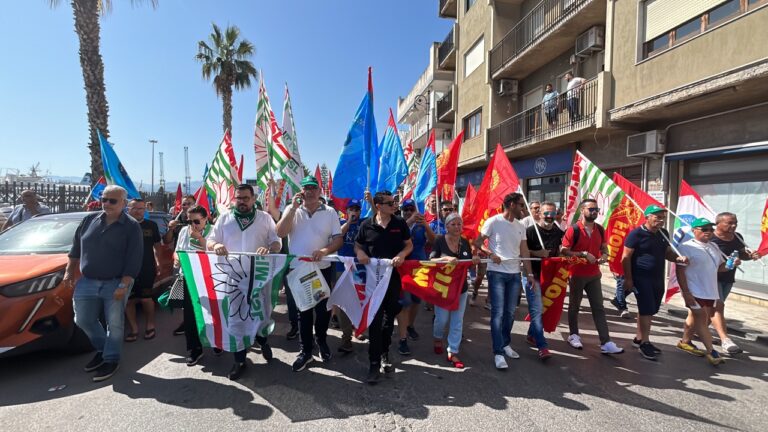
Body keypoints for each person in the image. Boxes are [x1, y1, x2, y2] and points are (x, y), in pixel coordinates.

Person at [63, 185, 143, 382]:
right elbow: (76, 249)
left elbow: (134, 259)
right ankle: (103, 349)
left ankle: (111, 359)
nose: (106, 203)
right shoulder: (89, 220)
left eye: (112, 200)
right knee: (82, 320)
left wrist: (123, 286)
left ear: (124, 203)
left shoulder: (131, 226)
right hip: (87, 281)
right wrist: (68, 272)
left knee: (114, 324)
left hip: (116, 282)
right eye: (104, 199)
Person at [207, 184, 282, 380]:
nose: (241, 202)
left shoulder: (265, 218)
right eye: (238, 198)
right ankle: (239, 360)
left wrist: (270, 248)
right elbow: (210, 241)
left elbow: (276, 241)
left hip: (259, 277)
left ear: (253, 198)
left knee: (260, 314)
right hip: (233, 278)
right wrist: (216, 245)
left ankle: (262, 340)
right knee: (236, 318)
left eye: (245, 198)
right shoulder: (224, 218)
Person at [276, 176, 343, 372]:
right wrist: (292, 209)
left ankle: (321, 340)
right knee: (303, 311)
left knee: (323, 310)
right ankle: (305, 350)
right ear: (301, 191)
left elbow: (338, 239)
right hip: (299, 269)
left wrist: (324, 251)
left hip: (323, 267)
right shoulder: (292, 210)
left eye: (313, 187)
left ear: (320, 191)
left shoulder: (330, 212)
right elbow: (280, 233)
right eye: (306, 188)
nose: (310, 191)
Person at [355, 190, 413, 384]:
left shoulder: (400, 223)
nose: (394, 205)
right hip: (373, 281)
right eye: (389, 203)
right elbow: (358, 244)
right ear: (378, 206)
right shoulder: (366, 224)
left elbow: (409, 245)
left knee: (389, 320)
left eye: (394, 202)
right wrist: (360, 253)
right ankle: (373, 363)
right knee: (375, 320)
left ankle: (385, 354)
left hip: (393, 279)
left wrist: (403, 255)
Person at [473, 193, 536, 370]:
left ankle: (505, 343)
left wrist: (529, 274)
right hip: (497, 274)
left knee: (510, 312)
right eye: (521, 205)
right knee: (498, 313)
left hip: (515, 274)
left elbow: (525, 252)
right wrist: (491, 254)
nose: (523, 208)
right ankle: (498, 352)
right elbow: (477, 242)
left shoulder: (520, 226)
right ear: (511, 205)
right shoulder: (493, 222)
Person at [621, 205, 689, 361]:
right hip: (641, 277)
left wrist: (677, 258)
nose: (661, 220)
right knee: (646, 309)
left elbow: (667, 253)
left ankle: (639, 338)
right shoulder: (636, 234)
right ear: (647, 217)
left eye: (663, 218)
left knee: (651, 309)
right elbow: (625, 257)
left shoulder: (663, 234)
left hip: (657, 277)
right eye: (657, 217)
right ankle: (645, 343)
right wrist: (629, 279)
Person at [560, 199, 624, 354]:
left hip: (594, 275)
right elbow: (564, 250)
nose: (595, 212)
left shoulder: (600, 229)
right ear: (582, 210)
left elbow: (604, 247)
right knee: (574, 306)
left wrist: (604, 255)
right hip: (576, 274)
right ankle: (574, 335)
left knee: (599, 308)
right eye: (591, 209)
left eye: (597, 209)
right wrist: (582, 254)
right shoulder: (573, 230)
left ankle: (606, 342)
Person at [675, 218, 727, 366]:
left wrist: (731, 265)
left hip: (710, 290)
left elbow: (720, 268)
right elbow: (679, 271)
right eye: (704, 230)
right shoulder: (686, 247)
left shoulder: (714, 246)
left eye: (711, 229)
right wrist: (686, 292)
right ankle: (711, 351)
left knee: (698, 318)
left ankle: (685, 341)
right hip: (694, 289)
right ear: (694, 231)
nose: (708, 232)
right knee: (701, 320)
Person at [431, 213, 480, 368]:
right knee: (442, 319)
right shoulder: (439, 240)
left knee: (457, 321)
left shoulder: (465, 242)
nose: (457, 227)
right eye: (453, 224)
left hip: (461, 288)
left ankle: (453, 351)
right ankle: (437, 337)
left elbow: (469, 264)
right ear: (447, 227)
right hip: (443, 287)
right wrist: (445, 259)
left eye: (459, 224)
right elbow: (430, 260)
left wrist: (475, 260)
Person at [711, 212, 761, 354]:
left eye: (735, 223)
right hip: (713, 277)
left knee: (712, 310)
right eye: (729, 223)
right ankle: (725, 340)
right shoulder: (711, 238)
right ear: (718, 223)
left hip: (728, 278)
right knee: (718, 307)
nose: (733, 226)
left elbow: (742, 254)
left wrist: (750, 256)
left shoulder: (738, 237)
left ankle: (694, 331)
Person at [174, 204, 213, 366]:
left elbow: (214, 251)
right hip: (189, 278)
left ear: (206, 219)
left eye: (197, 221)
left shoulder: (214, 231)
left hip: (209, 279)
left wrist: (199, 238)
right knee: (190, 315)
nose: (193, 226)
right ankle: (194, 348)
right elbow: (178, 250)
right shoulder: (184, 232)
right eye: (189, 221)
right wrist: (176, 258)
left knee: (211, 313)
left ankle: (215, 342)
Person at [397, 199, 436, 355]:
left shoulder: (422, 224)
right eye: (405, 209)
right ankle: (402, 339)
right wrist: (409, 221)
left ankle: (409, 326)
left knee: (416, 300)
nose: (408, 211)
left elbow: (433, 241)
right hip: (404, 267)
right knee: (405, 302)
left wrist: (425, 224)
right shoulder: (399, 223)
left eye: (411, 209)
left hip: (420, 267)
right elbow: (396, 238)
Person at [525, 201, 563, 361]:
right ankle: (542, 346)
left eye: (552, 213)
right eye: (546, 213)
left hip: (550, 276)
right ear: (539, 214)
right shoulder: (530, 231)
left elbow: (562, 250)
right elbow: (522, 251)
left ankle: (531, 334)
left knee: (542, 308)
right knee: (537, 308)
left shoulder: (558, 232)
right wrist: (537, 252)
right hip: (532, 274)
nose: (549, 216)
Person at [124, 198, 162, 342]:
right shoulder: (122, 225)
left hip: (147, 267)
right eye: (135, 208)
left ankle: (150, 325)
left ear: (145, 210)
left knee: (146, 299)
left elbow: (157, 246)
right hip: (126, 270)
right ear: (128, 209)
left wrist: (159, 262)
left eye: (141, 208)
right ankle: (134, 329)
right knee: (129, 301)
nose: (138, 211)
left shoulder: (151, 225)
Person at [169, 194, 201, 336]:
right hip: (185, 272)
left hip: (202, 273)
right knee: (186, 303)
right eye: (184, 204)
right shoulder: (181, 227)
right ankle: (188, 323)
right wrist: (176, 258)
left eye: (189, 204)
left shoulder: (208, 227)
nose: (186, 207)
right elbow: (177, 248)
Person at [335, 199, 364, 353]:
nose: (355, 211)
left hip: (360, 268)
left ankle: (358, 329)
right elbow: (337, 236)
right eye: (351, 209)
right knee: (344, 303)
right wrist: (348, 222)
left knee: (359, 301)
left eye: (357, 209)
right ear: (347, 211)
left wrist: (371, 202)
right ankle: (346, 338)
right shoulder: (340, 222)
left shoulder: (364, 223)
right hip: (342, 268)